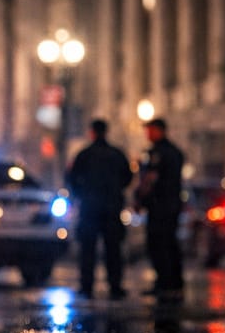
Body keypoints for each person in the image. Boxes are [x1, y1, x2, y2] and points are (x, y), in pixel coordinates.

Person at [67, 118, 133, 299]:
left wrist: (81, 195)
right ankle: (115, 286)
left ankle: (86, 286)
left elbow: (72, 178)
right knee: (113, 250)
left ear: (92, 132)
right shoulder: (117, 154)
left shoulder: (84, 155)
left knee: (88, 249)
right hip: (112, 208)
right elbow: (127, 178)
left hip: (90, 209)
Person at [135, 118, 185, 299]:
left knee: (159, 243)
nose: (147, 134)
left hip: (160, 204)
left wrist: (139, 197)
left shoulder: (159, 153)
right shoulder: (174, 152)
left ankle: (165, 282)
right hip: (170, 204)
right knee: (170, 243)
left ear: (159, 130)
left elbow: (150, 178)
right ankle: (173, 282)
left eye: (150, 130)